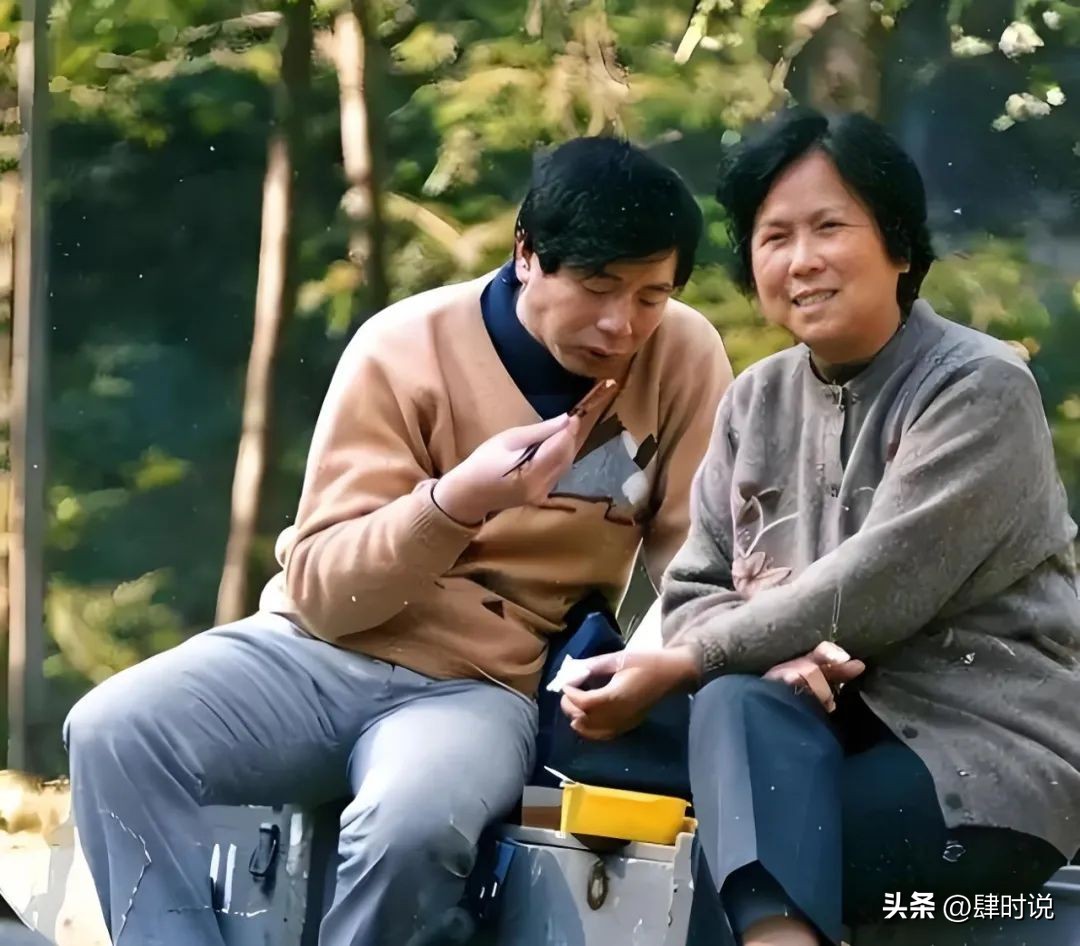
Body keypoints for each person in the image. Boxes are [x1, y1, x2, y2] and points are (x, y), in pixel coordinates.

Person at [62, 136, 733, 946]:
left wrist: (701, 650)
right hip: (316, 654)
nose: (622, 323)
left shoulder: (682, 354)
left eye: (652, 295)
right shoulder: (404, 346)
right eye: (597, 287)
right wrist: (454, 504)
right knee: (114, 730)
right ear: (527, 254)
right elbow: (323, 592)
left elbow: (700, 555)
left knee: (412, 825)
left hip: (480, 684)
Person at [559, 108, 1080, 946]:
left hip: (972, 768)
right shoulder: (755, 399)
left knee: (729, 826)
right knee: (634, 734)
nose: (801, 260)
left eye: (829, 227)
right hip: (799, 743)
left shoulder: (980, 386)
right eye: (774, 237)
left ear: (899, 246)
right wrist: (770, 659)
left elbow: (879, 581)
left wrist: (698, 659)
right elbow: (694, 587)